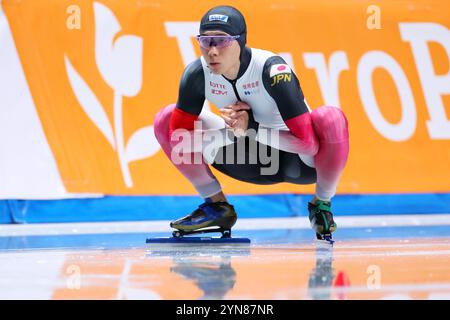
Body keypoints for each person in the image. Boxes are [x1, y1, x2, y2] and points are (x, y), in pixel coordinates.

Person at [154, 5, 349, 241]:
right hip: (241, 159)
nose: (212, 51)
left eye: (221, 41)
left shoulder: (273, 71)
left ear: (241, 41)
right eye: (205, 41)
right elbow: (179, 143)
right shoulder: (196, 73)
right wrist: (230, 133)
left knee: (331, 118)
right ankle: (217, 206)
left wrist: (252, 128)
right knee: (165, 118)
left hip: (297, 162)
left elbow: (308, 145)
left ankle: (322, 204)